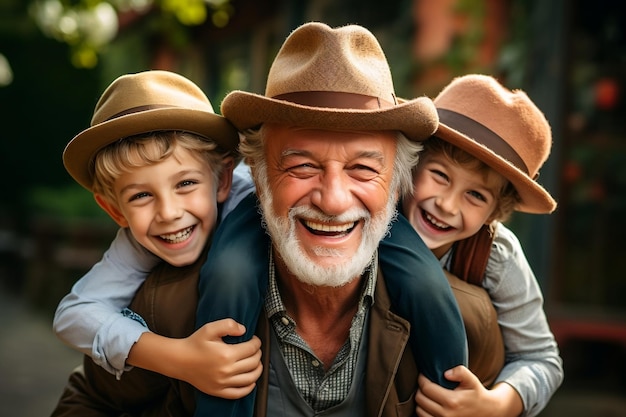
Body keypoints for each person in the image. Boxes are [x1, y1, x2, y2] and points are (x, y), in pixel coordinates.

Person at [51, 22, 468, 417]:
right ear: (260, 175)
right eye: (302, 166)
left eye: (363, 168)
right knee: (230, 274)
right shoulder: (166, 310)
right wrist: (178, 358)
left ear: (397, 186)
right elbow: (82, 376)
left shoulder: (474, 316)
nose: (334, 201)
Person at [53, 69, 263, 415]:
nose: (168, 213)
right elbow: (73, 315)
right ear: (114, 210)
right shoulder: (136, 245)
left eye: (185, 184)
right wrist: (179, 359)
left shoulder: (255, 197)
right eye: (141, 196)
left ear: (223, 179)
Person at [405, 74, 564, 417]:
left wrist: (494, 405)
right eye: (440, 175)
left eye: (475, 195)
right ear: (413, 161)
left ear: (496, 211)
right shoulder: (368, 205)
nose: (447, 205)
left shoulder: (495, 256)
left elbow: (541, 358)